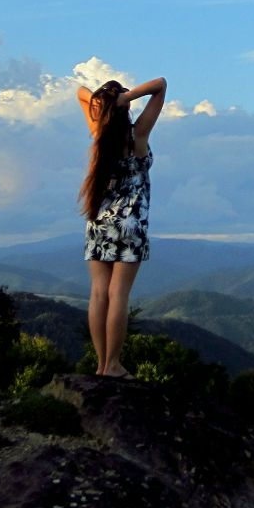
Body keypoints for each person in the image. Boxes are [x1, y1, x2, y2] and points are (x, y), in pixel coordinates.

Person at [77, 75, 167, 378]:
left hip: (98, 222)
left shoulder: (99, 135)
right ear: (124, 107)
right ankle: (113, 364)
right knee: (118, 296)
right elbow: (161, 84)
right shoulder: (137, 135)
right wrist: (125, 99)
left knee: (98, 294)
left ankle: (101, 365)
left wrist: (105, 104)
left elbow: (80, 92)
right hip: (130, 224)